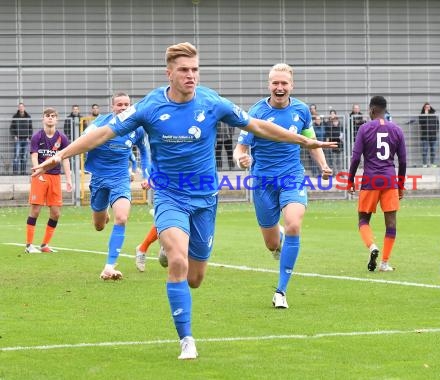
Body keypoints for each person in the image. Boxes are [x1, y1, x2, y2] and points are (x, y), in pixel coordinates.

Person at [32, 42, 336, 360]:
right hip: (169, 195)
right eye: (184, 70)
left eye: (195, 70)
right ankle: (186, 339)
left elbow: (257, 125)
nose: (191, 76)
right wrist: (60, 156)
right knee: (179, 261)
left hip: (205, 197)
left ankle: (170, 248)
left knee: (195, 279)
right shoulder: (149, 106)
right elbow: (102, 132)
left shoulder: (211, 101)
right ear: (170, 73)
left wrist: (304, 139)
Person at [233, 63, 332, 309]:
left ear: (291, 85)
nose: (279, 87)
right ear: (269, 85)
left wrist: (323, 165)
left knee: (294, 225)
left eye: (284, 83)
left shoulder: (301, 110)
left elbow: (310, 141)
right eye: (275, 83)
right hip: (262, 181)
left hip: (292, 176)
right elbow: (241, 148)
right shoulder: (256, 112)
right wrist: (241, 159)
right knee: (272, 244)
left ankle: (281, 291)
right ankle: (278, 244)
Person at [82, 92, 151, 281]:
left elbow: (145, 152)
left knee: (121, 218)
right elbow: (83, 140)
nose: (123, 107)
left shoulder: (137, 128)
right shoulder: (100, 124)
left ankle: (109, 267)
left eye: (126, 104)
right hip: (99, 179)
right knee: (99, 226)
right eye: (119, 104)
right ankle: (103, 213)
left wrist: (147, 175)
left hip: (121, 178)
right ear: (112, 107)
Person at [347, 96, 407, 272]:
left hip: (370, 180)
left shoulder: (364, 129)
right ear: (385, 110)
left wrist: (350, 180)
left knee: (363, 219)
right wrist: (400, 185)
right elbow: (403, 161)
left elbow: (356, 158)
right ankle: (385, 263)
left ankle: (372, 246)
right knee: (391, 223)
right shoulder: (397, 130)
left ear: (372, 110)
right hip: (389, 180)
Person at [25, 108, 73, 253]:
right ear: (43, 119)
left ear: (56, 119)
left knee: (56, 213)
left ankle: (44, 244)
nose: (50, 118)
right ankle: (29, 245)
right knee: (35, 209)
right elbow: (34, 156)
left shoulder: (62, 138)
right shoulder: (37, 136)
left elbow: (65, 160)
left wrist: (69, 179)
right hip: (41, 176)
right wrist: (37, 171)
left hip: (55, 178)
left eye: (53, 116)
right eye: (47, 116)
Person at [10, 102, 34, 175]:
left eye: (22, 107)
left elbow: (31, 128)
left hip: (26, 139)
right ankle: (15, 172)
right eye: (20, 107)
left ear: (24, 108)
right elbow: (12, 128)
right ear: (18, 108)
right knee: (16, 156)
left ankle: (23, 172)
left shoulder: (28, 116)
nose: (21, 108)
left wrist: (29, 137)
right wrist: (14, 136)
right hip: (18, 139)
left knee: (24, 156)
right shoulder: (15, 116)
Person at [418, 102, 439, 167]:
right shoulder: (422, 115)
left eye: (428, 107)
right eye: (426, 107)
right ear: (424, 108)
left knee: (433, 150)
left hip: (433, 135)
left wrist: (435, 131)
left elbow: (437, 124)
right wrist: (425, 114)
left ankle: (432, 163)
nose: (427, 108)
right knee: (425, 150)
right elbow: (421, 122)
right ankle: (424, 164)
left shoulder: (433, 115)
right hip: (425, 135)